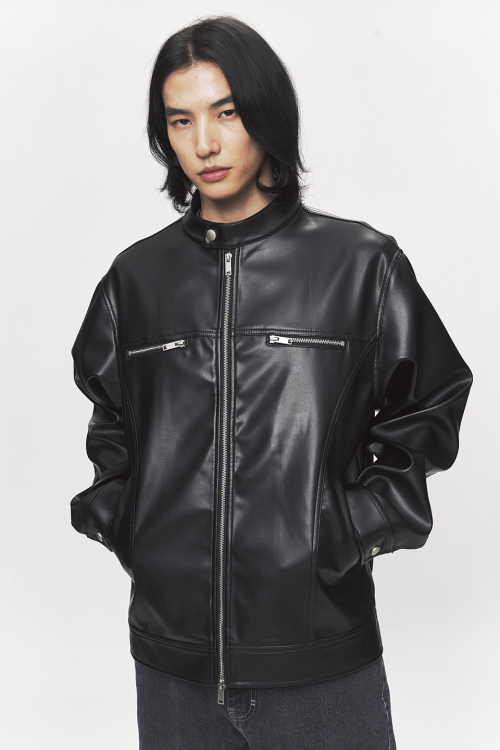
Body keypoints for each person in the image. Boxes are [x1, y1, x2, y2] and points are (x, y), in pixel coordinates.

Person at [69, 15, 473, 750]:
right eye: (181, 120)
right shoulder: (136, 280)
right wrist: (131, 523)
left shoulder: (360, 266)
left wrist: (349, 526)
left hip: (322, 668)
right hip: (173, 673)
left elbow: (432, 399)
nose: (205, 143)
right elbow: (113, 423)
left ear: (266, 114)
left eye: (226, 113)